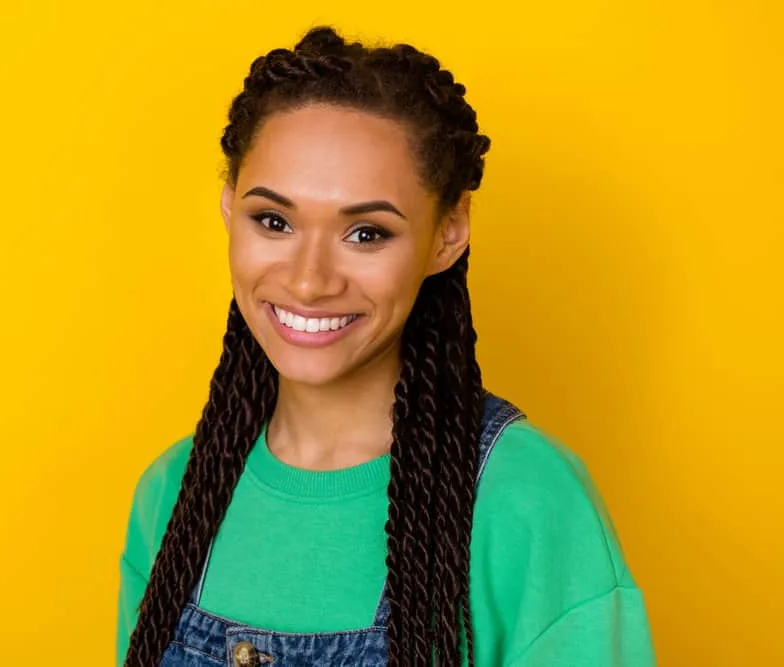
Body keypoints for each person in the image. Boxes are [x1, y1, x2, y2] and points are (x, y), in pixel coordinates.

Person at [116, 25, 656, 667]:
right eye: (274, 221)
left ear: (447, 235)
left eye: (366, 233)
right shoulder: (174, 492)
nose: (309, 280)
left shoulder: (527, 499)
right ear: (230, 207)